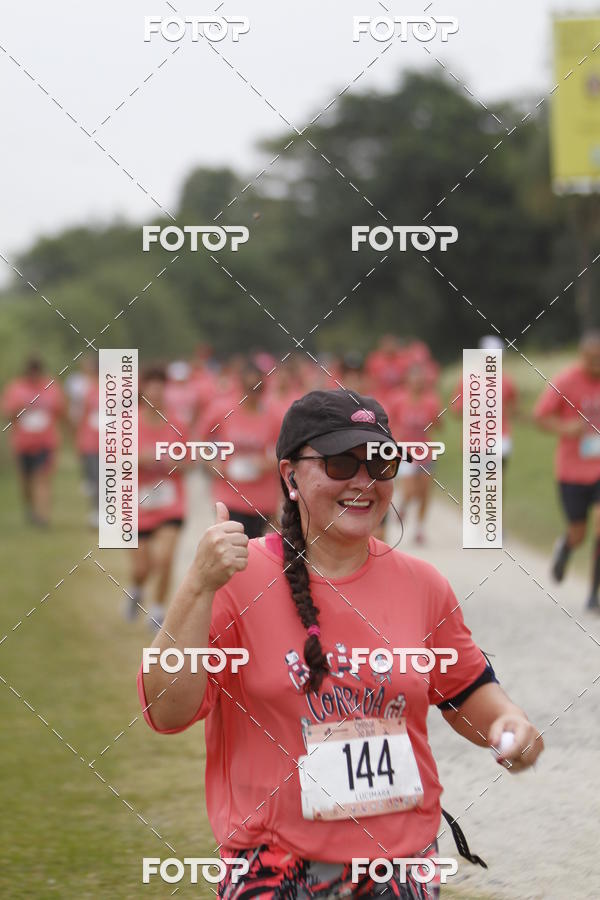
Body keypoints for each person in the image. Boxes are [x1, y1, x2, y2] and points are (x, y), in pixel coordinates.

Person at [138, 388, 543, 898]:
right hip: (275, 869)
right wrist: (197, 585)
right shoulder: (235, 579)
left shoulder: (423, 584)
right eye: (339, 464)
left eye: (380, 463)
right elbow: (165, 710)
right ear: (289, 475)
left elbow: (468, 692)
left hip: (399, 866)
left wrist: (509, 727)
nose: (363, 482)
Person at [534, 332, 600, 611]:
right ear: (581, 356)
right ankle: (566, 547)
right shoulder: (566, 380)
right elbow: (541, 416)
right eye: (591, 359)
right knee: (579, 532)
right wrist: (565, 428)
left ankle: (593, 594)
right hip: (572, 470)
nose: (596, 364)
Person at [128, 364, 188, 629]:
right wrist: (142, 458)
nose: (156, 391)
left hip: (170, 502)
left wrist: (170, 459)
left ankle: (158, 611)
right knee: (143, 567)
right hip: (137, 504)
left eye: (161, 386)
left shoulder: (177, 423)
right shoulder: (129, 423)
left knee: (165, 558)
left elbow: (188, 461)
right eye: (151, 386)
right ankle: (136, 590)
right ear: (143, 390)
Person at [197, 359, 283, 539]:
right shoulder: (222, 409)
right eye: (248, 387)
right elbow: (199, 440)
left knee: (253, 553)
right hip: (230, 494)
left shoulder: (273, 415)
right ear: (240, 385)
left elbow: (285, 452)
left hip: (262, 498)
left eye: (257, 388)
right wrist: (212, 463)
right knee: (233, 548)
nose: (253, 393)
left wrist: (268, 463)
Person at [1, 356, 66, 526]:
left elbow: (60, 410)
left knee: (41, 477)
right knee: (26, 480)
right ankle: (30, 508)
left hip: (46, 442)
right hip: (22, 442)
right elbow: (7, 413)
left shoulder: (51, 386)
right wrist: (18, 409)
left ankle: (42, 516)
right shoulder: (16, 388)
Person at [387, 363, 442, 544]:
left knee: (425, 492)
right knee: (410, 489)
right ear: (408, 380)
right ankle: (403, 504)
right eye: (414, 380)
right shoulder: (398, 399)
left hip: (425, 451)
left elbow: (438, 424)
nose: (418, 383)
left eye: (421, 380)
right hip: (405, 452)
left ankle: (419, 528)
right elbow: (390, 422)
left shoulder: (431, 401)